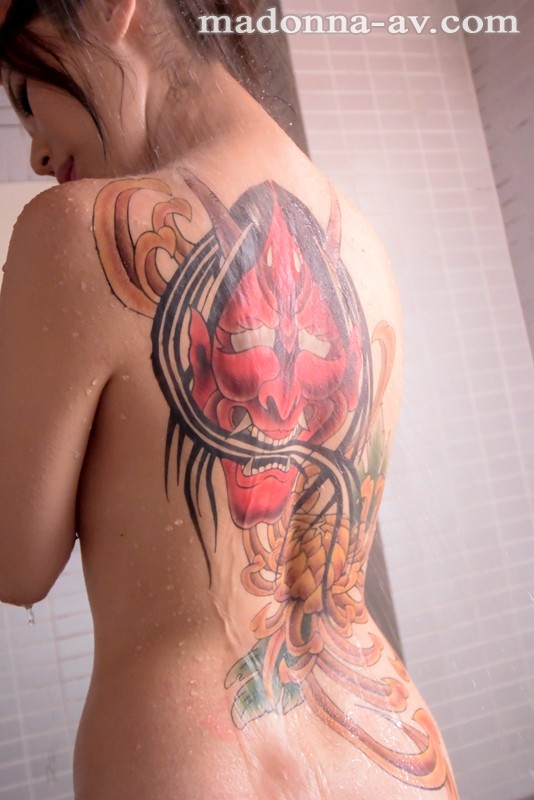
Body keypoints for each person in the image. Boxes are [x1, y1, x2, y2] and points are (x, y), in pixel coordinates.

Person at [0, 1, 459, 798]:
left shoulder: (74, 232)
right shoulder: (366, 248)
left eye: (24, 94)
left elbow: (16, 562)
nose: (35, 149)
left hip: (199, 763)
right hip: (394, 751)